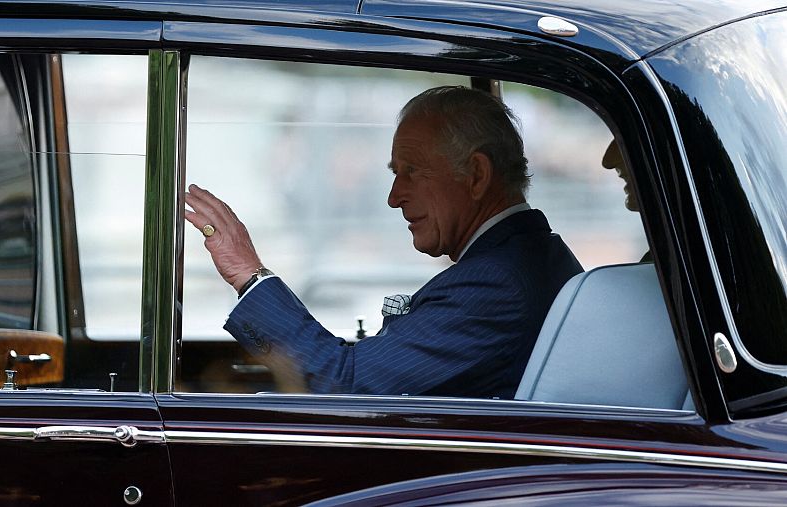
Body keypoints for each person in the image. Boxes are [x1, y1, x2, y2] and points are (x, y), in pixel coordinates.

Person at [184, 86, 583, 398]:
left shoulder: (496, 285)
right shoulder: (530, 257)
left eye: (412, 171)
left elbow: (345, 386)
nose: (394, 196)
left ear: (476, 175)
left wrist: (248, 274)